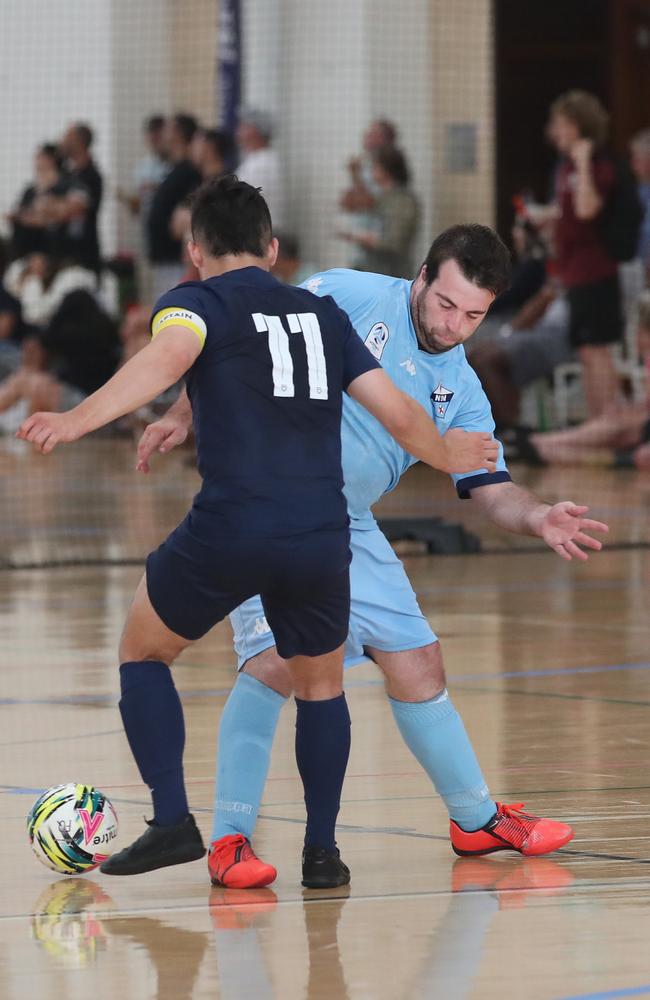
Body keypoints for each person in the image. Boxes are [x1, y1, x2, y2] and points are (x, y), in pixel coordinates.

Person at [17, 177, 497, 889]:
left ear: (193, 251)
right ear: (272, 250)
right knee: (322, 686)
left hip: (234, 521)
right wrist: (448, 453)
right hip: (320, 528)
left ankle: (176, 822)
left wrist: (73, 419)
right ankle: (323, 855)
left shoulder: (195, 301)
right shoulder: (318, 313)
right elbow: (397, 411)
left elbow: (165, 360)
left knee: (143, 651)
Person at [137, 223, 609, 889]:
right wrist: (182, 416)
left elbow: (490, 487)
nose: (454, 325)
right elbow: (245, 334)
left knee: (419, 662)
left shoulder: (462, 387)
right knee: (276, 662)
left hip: (348, 525)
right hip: (267, 504)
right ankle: (230, 840)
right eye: (446, 304)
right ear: (421, 276)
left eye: (473, 315)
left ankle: (474, 819)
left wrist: (537, 516)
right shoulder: (348, 295)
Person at [547, 91, 624, 417]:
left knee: (599, 351)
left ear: (577, 127)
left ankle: (609, 425)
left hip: (597, 274)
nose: (554, 131)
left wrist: (581, 162)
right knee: (585, 352)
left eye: (560, 124)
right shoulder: (562, 168)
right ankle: (598, 423)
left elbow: (587, 208)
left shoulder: (599, 166)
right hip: (572, 273)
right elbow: (564, 214)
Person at [338, 147, 419, 278]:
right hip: (375, 271)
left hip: (391, 275)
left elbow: (394, 241)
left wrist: (362, 237)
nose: (371, 171)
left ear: (386, 170)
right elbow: (361, 201)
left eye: (374, 167)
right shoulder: (385, 197)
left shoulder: (402, 201)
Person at [146, 114, 202, 301]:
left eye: (168, 129)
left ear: (178, 134)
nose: (163, 134)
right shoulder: (173, 169)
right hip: (163, 259)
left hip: (177, 261)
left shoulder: (189, 172)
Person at [236, 110, 286, 230]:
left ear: (254, 131)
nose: (239, 131)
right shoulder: (257, 159)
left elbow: (247, 202)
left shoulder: (263, 162)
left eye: (244, 126)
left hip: (260, 233)